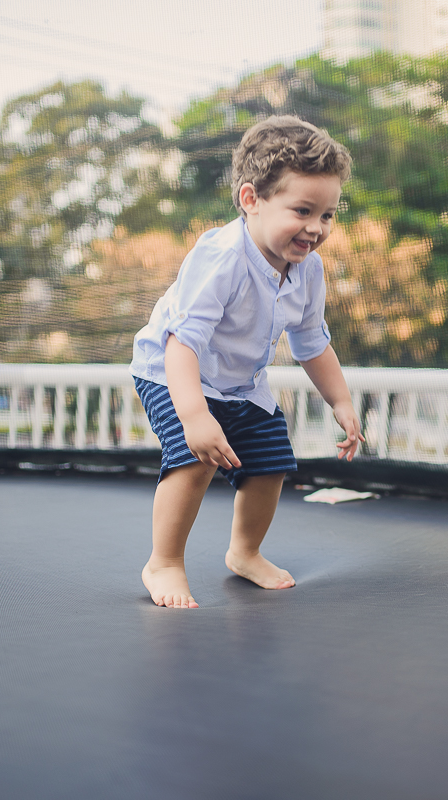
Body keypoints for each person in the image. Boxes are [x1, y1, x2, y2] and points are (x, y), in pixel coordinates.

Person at [130, 115, 364, 609]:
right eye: (303, 210)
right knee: (195, 460)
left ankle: (245, 551)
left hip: (241, 383)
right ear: (251, 200)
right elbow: (182, 342)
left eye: (328, 215)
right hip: (173, 372)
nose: (316, 228)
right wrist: (195, 418)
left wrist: (340, 401)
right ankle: (164, 562)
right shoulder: (222, 258)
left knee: (270, 464)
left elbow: (312, 342)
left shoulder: (308, 269)